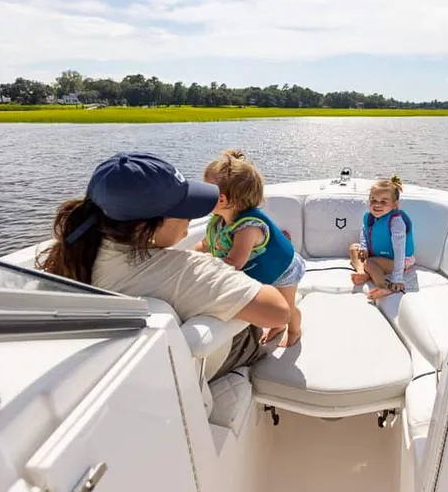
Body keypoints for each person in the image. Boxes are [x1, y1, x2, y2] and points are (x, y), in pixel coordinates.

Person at [37, 151, 290, 378]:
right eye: (184, 210)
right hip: (202, 363)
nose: (190, 218)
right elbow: (278, 311)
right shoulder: (186, 270)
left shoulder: (72, 253)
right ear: (145, 226)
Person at [194, 149, 305, 348]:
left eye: (205, 191)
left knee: (286, 309)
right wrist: (186, 258)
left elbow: (234, 263)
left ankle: (294, 330)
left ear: (222, 200)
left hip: (283, 269)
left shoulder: (248, 228)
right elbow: (205, 244)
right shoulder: (219, 221)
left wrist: (205, 269)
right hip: (264, 268)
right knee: (276, 309)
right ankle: (278, 326)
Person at [348, 175, 416, 301]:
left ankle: (383, 287)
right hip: (378, 255)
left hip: (399, 260)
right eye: (373, 200)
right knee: (354, 248)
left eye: (383, 202)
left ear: (395, 205)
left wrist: (397, 279)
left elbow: (400, 250)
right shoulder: (369, 217)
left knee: (370, 263)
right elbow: (364, 232)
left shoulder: (396, 221)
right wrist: (364, 247)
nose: (377, 205)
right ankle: (361, 272)